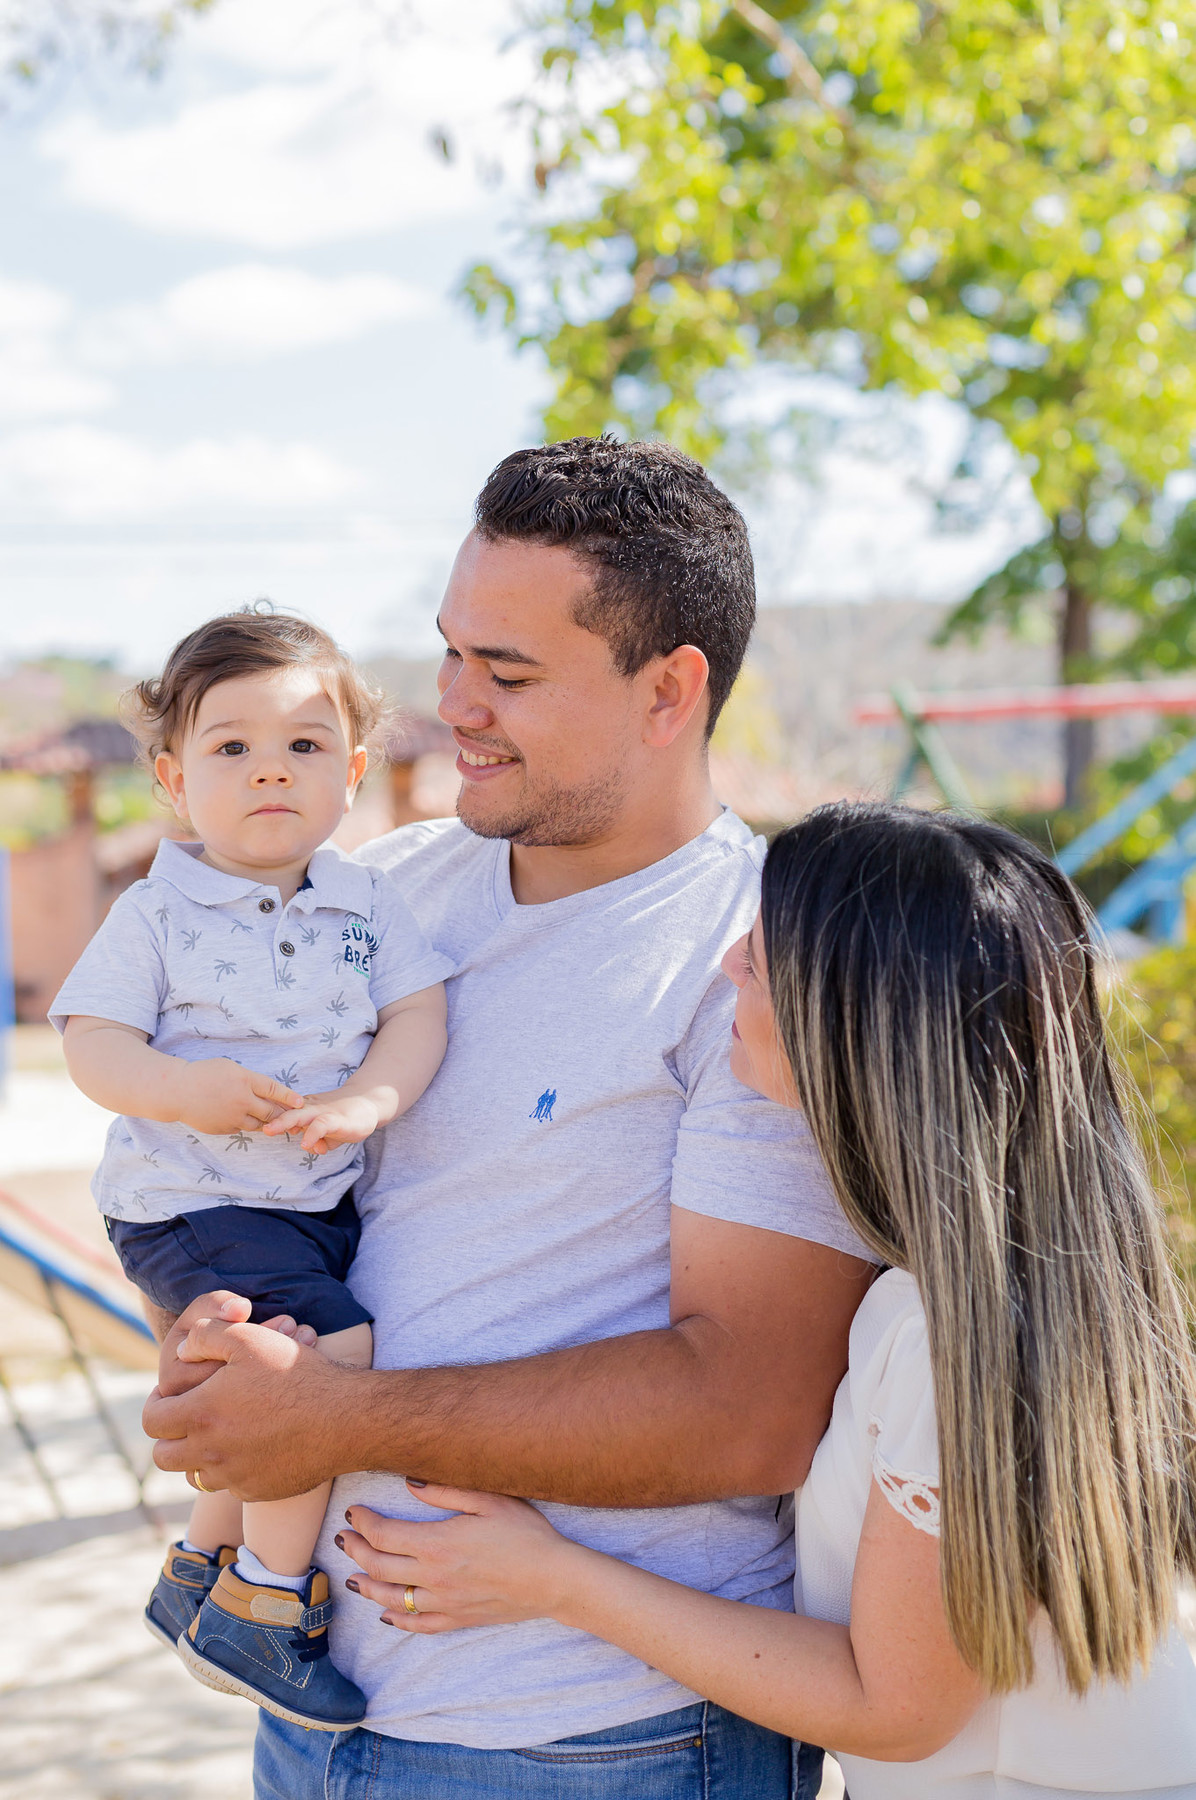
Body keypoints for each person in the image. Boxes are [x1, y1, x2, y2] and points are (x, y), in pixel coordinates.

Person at [144, 437, 876, 1800]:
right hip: (314, 1713)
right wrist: (222, 1336)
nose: (453, 708)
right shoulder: (381, 893)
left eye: (511, 673)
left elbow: (753, 1407)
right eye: (450, 653)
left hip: (598, 1739)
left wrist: (333, 1421)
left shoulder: (762, 969)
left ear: (671, 691)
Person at [327, 802, 1196, 1800]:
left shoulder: (935, 1335)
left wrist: (548, 1577)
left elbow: (896, 1710)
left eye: (763, 946)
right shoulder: (1004, 1281)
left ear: (858, 1015)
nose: (729, 965)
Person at [50, 610, 452, 1731]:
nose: (270, 768)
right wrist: (186, 1089)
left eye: (305, 746)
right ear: (177, 780)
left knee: (266, 1374)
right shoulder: (160, 912)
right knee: (325, 1359)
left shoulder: (371, 904)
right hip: (189, 1197)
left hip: (307, 1200)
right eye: (231, 747)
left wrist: (370, 1098)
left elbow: (415, 1016)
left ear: (354, 773)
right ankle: (265, 1606)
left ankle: (198, 1567)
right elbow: (92, 1043)